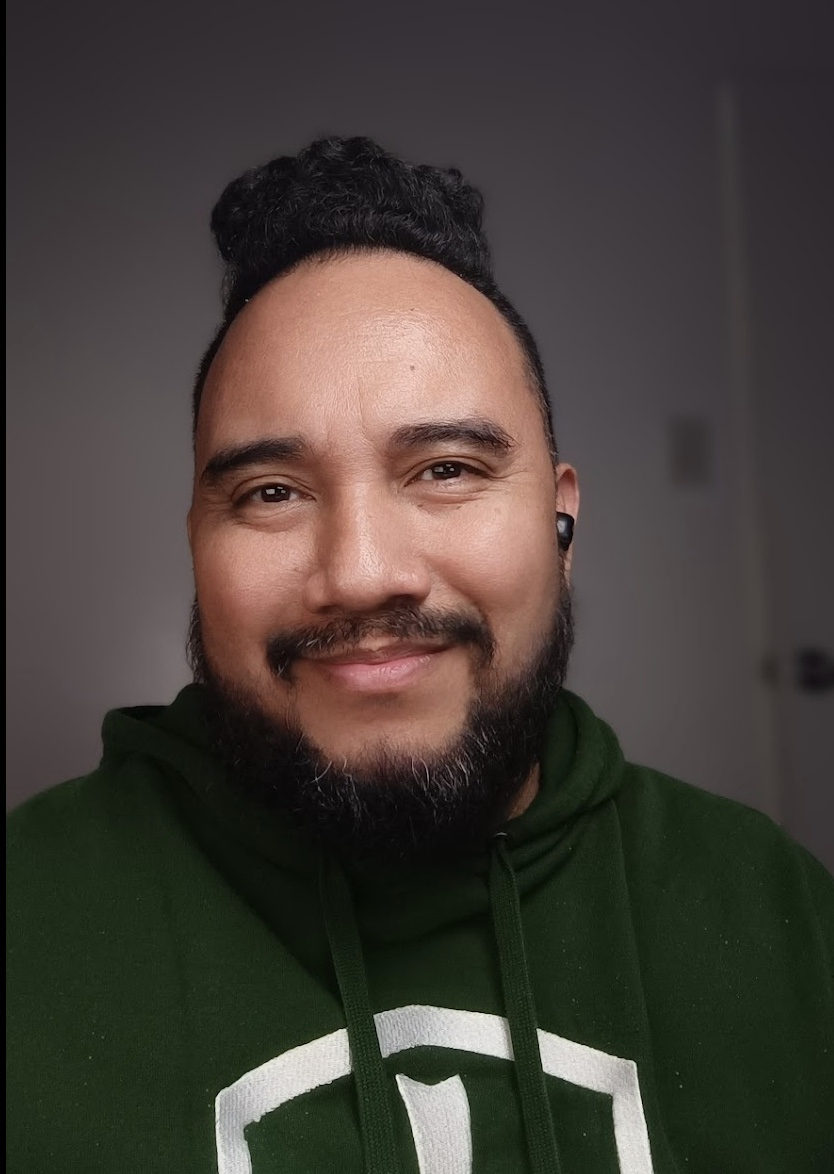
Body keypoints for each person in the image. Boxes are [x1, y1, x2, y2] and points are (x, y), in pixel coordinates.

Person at [7, 136, 833, 1174]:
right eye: (271, 492)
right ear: (196, 544)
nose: (361, 573)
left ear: (561, 522)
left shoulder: (780, 918)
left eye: (446, 469)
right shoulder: (28, 925)